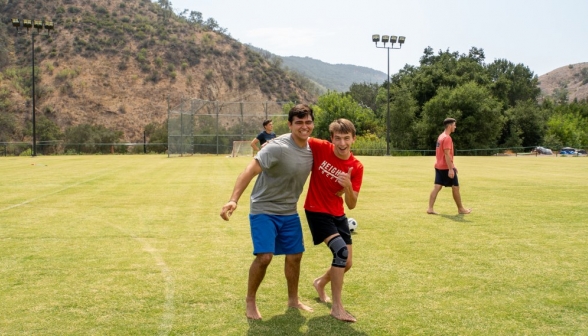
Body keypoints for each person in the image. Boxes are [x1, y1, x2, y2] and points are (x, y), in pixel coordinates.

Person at [220, 104, 315, 320]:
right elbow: (249, 171)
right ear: (290, 125)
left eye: (308, 122)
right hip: (264, 208)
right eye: (298, 122)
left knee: (295, 256)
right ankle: (250, 301)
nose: (304, 126)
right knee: (264, 257)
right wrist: (233, 200)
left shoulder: (313, 149)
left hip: (289, 211)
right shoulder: (277, 147)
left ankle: (293, 300)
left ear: (312, 124)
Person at [304, 118, 364, 323]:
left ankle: (320, 282)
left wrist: (347, 185)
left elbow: (352, 204)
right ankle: (337, 308)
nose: (342, 143)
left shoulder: (356, 166)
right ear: (331, 139)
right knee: (340, 251)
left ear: (353, 139)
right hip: (316, 209)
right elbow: (299, 135)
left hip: (338, 213)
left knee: (347, 262)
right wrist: (272, 142)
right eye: (337, 138)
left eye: (346, 138)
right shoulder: (320, 147)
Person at [427, 117, 472, 215]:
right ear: (450, 126)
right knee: (455, 187)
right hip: (446, 167)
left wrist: (453, 165)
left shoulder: (441, 136)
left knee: (437, 187)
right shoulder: (447, 138)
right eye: (454, 125)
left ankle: (430, 208)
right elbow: (447, 154)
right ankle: (461, 209)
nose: (455, 127)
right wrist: (451, 169)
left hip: (438, 166)